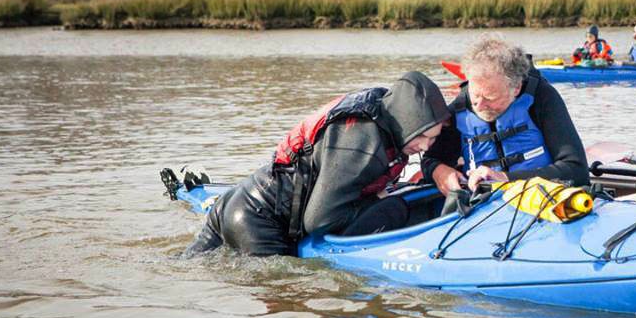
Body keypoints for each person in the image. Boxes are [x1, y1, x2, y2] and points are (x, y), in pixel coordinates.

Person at [187, 71, 450, 256]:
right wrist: (378, 203)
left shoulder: (387, 117)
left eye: (433, 137)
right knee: (286, 300)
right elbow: (320, 221)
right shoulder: (364, 143)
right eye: (423, 136)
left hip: (241, 203)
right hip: (259, 220)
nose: (426, 146)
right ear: (406, 121)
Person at [422, 33, 589, 196]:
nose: (479, 106)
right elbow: (430, 160)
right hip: (482, 207)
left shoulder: (541, 97)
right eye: (475, 95)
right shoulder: (459, 110)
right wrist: (440, 171)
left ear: (515, 89)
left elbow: (577, 170)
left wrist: (506, 178)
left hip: (543, 202)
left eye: (490, 98)